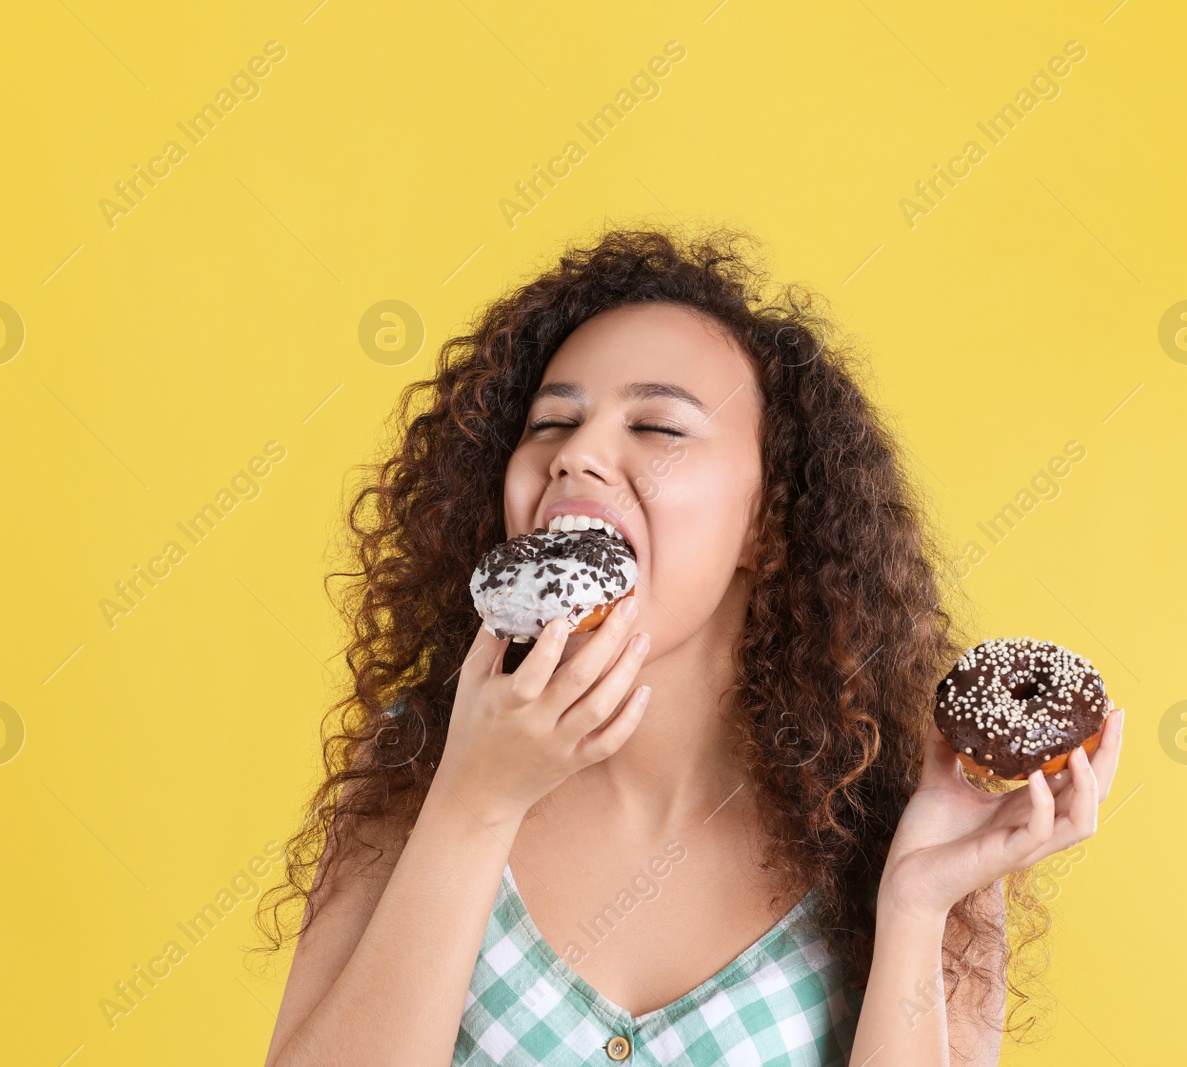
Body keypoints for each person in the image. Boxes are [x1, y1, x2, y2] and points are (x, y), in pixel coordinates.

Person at [256, 226, 1126, 1066]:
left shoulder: (907, 823)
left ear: (767, 520)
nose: (578, 456)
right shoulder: (417, 760)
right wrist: (472, 804)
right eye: (549, 424)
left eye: (659, 428)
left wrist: (914, 906)